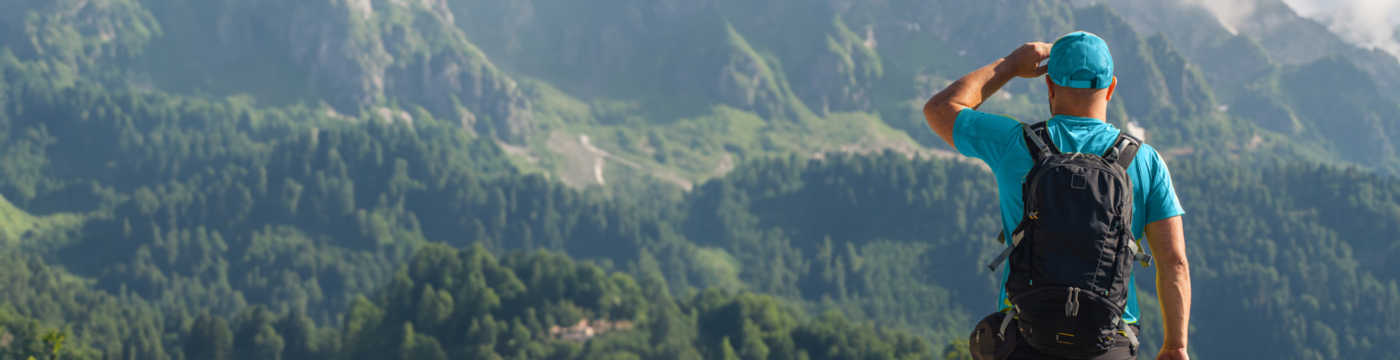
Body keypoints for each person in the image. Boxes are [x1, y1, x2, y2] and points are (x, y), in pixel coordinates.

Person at [921, 32, 1191, 360]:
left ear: (1049, 86)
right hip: (1110, 342)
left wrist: (1009, 66)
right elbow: (1174, 263)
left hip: (1025, 338)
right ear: (1110, 89)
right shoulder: (1145, 160)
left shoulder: (1014, 143)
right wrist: (1175, 345)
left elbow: (939, 109)